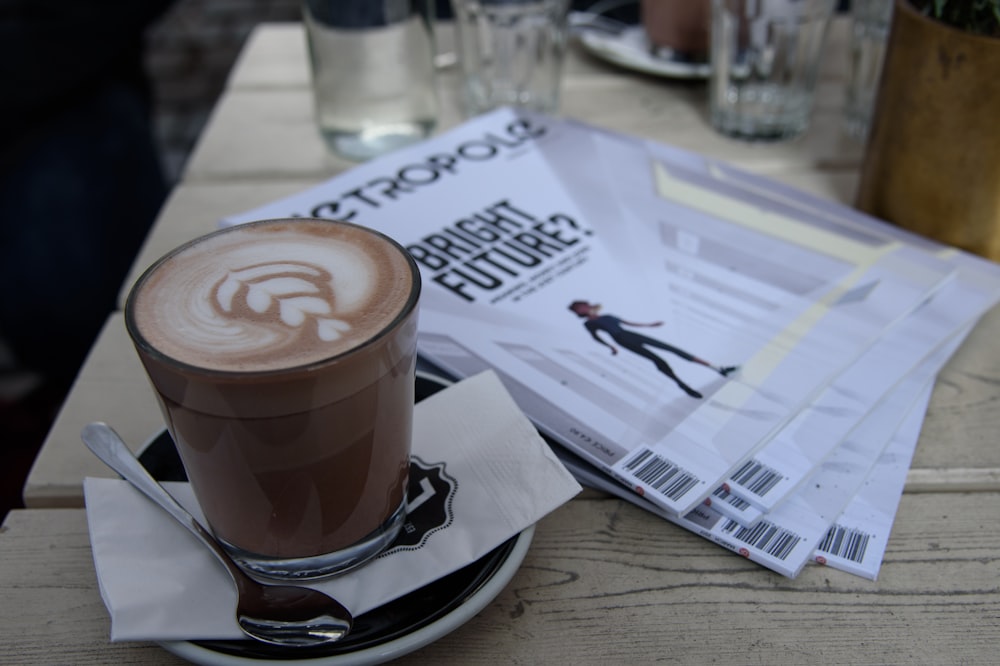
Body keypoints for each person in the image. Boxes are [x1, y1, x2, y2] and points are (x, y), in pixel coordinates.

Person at [568, 300, 737, 399]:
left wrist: (650, 325)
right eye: (578, 309)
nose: (581, 309)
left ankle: (717, 368)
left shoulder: (607, 316)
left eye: (580, 306)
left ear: (585, 305)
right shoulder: (589, 323)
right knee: (659, 360)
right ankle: (683, 385)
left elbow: (628, 323)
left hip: (631, 334)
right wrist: (610, 346)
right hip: (622, 340)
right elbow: (596, 337)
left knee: (672, 349)